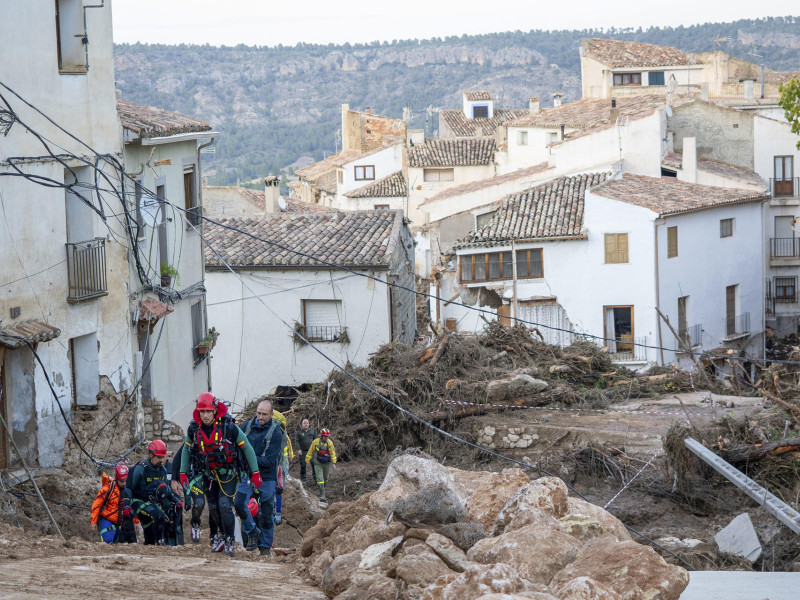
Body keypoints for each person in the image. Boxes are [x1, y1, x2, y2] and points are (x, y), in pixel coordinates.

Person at [180, 392, 259, 556]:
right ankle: (222, 537)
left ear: (215, 410)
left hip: (228, 474)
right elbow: (186, 451)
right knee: (214, 508)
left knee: (224, 506)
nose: (206, 415)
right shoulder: (194, 429)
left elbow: (247, 448)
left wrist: (255, 472)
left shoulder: (228, 427)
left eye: (209, 411)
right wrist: (182, 473)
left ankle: (230, 539)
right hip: (208, 475)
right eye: (202, 412)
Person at [233, 400, 284, 557]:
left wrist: (248, 458)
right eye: (258, 413)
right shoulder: (246, 427)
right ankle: (252, 531)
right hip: (246, 474)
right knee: (239, 503)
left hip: (267, 477)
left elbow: (270, 461)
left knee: (267, 510)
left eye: (264, 414)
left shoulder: (276, 432)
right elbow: (236, 448)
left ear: (271, 414)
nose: (260, 417)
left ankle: (265, 546)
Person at [123, 440, 182, 545]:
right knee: (159, 516)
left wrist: (176, 500)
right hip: (138, 502)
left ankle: (150, 547)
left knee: (151, 534)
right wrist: (127, 505)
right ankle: (160, 542)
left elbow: (166, 489)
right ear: (151, 455)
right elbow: (128, 488)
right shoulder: (140, 469)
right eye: (159, 457)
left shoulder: (162, 470)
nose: (161, 460)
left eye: (162, 457)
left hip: (151, 503)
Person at [171, 443, 216, 546]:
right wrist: (174, 479)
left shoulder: (217, 437)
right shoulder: (192, 440)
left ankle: (214, 534)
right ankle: (195, 523)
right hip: (197, 478)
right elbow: (177, 460)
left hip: (213, 476)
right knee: (199, 503)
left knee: (214, 506)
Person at [90, 463, 135, 543]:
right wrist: (93, 522)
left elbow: (134, 505)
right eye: (121, 481)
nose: (124, 483)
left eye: (126, 481)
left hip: (121, 523)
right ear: (116, 478)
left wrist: (136, 522)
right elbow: (96, 505)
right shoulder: (107, 489)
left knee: (124, 543)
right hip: (106, 520)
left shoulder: (128, 490)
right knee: (107, 541)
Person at [272, 409, 293, 525]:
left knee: (277, 490)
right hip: (274, 466)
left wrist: (290, 455)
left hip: (278, 465)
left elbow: (288, 445)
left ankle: (277, 513)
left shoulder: (283, 437)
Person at [305, 428, 337, 503]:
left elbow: (332, 453)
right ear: (321, 436)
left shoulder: (330, 443)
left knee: (326, 478)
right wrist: (307, 461)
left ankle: (323, 489)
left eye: (327, 437)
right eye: (325, 436)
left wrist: (334, 463)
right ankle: (322, 495)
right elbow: (310, 452)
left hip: (327, 463)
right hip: (318, 463)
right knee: (320, 478)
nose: (326, 438)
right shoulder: (315, 442)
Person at [295, 419, 315, 485]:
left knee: (313, 463)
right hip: (303, 451)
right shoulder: (299, 432)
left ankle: (315, 478)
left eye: (307, 423)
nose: (306, 424)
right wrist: (298, 449)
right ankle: (303, 479)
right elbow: (296, 441)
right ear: (302, 424)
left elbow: (315, 441)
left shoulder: (312, 431)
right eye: (304, 423)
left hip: (311, 451)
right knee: (303, 465)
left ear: (309, 424)